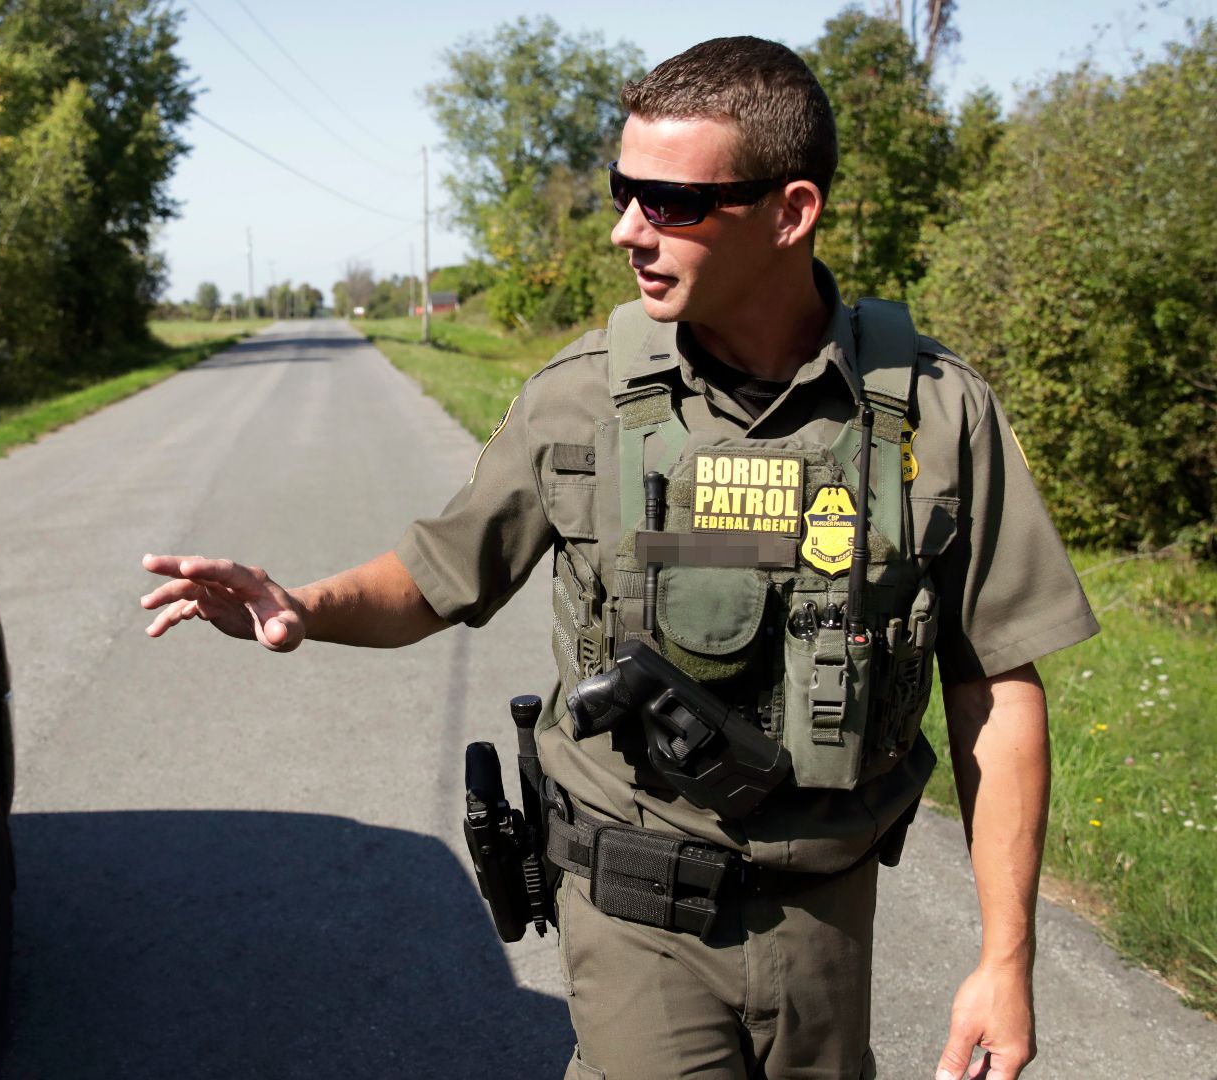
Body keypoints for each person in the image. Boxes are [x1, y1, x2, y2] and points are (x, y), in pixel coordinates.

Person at [139, 36, 1095, 1080]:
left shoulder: (935, 414)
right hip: (634, 906)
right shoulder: (582, 395)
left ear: (791, 211)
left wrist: (1008, 958)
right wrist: (302, 604)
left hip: (829, 914)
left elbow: (995, 682)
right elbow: (434, 578)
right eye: (622, 189)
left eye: (671, 202)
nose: (624, 229)